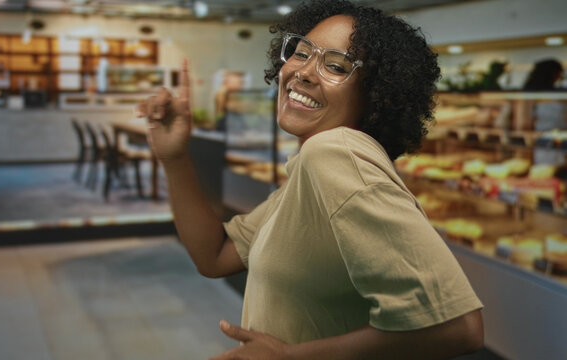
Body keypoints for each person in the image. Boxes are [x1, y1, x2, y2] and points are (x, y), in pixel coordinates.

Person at [137, 1, 484, 358]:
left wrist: (288, 357)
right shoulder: (311, 168)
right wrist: (174, 157)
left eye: (336, 66)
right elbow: (216, 255)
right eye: (301, 53)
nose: (303, 72)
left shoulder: (334, 151)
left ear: (376, 94)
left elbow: (458, 327)